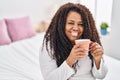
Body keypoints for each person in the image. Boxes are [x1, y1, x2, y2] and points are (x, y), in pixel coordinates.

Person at [39, 2, 108, 80]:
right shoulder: (49, 47)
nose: (76, 28)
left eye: (81, 24)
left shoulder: (89, 42)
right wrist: (70, 60)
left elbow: (101, 76)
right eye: (71, 23)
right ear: (61, 24)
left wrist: (98, 60)